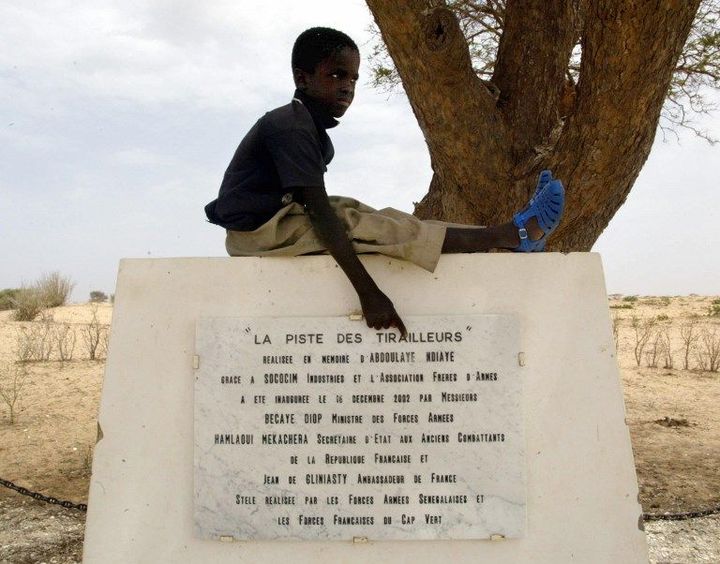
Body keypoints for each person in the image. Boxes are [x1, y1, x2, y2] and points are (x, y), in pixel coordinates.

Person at [205, 27, 564, 335]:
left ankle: (506, 233)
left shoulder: (305, 126)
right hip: (256, 236)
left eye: (353, 78)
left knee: (380, 218)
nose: (347, 87)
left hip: (273, 221)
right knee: (358, 223)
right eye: (335, 75)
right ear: (303, 78)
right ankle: (513, 234)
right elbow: (319, 214)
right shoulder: (291, 126)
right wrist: (369, 294)